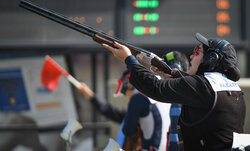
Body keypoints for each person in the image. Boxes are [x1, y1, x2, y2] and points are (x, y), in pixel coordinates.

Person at [102, 32, 246, 151]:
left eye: (197, 52)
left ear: (211, 59)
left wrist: (129, 59)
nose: (191, 56)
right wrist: (177, 77)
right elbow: (201, 90)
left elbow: (155, 87)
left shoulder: (203, 87)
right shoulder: (233, 88)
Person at [78, 70, 171, 151]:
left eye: (126, 93)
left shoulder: (138, 98)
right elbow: (111, 111)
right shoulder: (162, 98)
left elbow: (127, 129)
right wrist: (89, 94)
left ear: (129, 85)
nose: (127, 96)